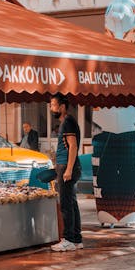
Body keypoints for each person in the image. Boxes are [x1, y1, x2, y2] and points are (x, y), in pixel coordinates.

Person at [49, 93, 83, 252]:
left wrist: (68, 169)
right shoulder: (67, 122)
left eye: (53, 105)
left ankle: (68, 239)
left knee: (66, 204)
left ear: (62, 106)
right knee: (72, 202)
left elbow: (73, 146)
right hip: (67, 166)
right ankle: (76, 239)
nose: (51, 109)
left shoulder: (68, 122)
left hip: (67, 167)